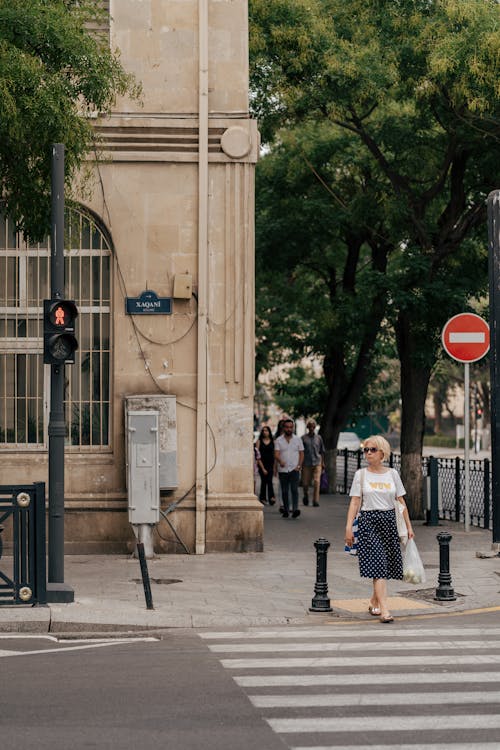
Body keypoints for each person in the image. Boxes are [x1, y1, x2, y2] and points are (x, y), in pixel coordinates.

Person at [344, 434, 414, 623]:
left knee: (385, 566)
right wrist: (348, 527)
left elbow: (401, 501)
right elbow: (354, 503)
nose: (368, 453)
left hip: (389, 521)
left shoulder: (392, 474)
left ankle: (374, 599)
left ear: (382, 453)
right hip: (369, 522)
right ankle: (384, 609)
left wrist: (409, 527)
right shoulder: (361, 475)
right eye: (366, 450)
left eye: (372, 450)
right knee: (379, 565)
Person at [274, 418, 304, 518]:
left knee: (294, 489)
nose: (289, 429)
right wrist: (280, 461)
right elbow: (276, 454)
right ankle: (286, 510)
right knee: (285, 491)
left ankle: (295, 509)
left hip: (294, 469)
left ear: (293, 428)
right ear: (283, 428)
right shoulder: (279, 440)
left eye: (291, 427)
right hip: (283, 470)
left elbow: (301, 453)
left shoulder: (298, 439)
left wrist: (299, 465)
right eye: (287, 427)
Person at [301, 419, 325, 507]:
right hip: (306, 463)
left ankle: (315, 500)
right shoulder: (303, 438)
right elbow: (301, 451)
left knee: (316, 482)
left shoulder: (319, 438)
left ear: (315, 427)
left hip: (317, 462)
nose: (311, 428)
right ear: (307, 427)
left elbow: (322, 451)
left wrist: (323, 463)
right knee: (305, 483)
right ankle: (305, 495)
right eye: (310, 426)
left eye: (313, 426)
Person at [256, 426, 276, 505]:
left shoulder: (273, 441)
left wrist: (275, 467)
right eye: (263, 431)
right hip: (262, 464)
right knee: (264, 481)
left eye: (267, 431)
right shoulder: (259, 441)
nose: (265, 432)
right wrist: (262, 468)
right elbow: (257, 455)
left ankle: (271, 497)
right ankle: (262, 498)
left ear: (269, 432)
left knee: (270, 481)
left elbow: (275, 454)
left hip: (270, 464)